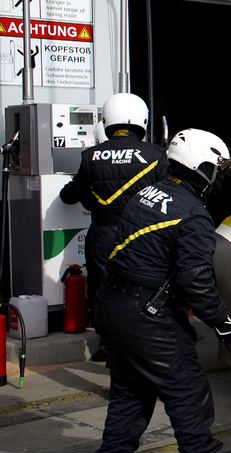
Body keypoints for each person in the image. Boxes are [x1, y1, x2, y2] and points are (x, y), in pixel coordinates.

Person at [92, 129, 231, 453]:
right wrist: (223, 324)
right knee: (185, 387)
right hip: (144, 311)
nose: (218, 177)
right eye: (216, 168)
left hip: (112, 302)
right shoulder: (193, 215)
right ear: (201, 167)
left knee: (130, 390)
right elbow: (196, 281)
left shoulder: (147, 194)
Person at [59, 93, 168, 359]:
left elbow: (71, 195)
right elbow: (169, 194)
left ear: (107, 120)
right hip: (143, 234)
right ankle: (146, 341)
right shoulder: (155, 154)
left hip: (103, 235)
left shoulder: (90, 156)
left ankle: (107, 347)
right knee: (144, 286)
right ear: (142, 119)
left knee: (104, 290)